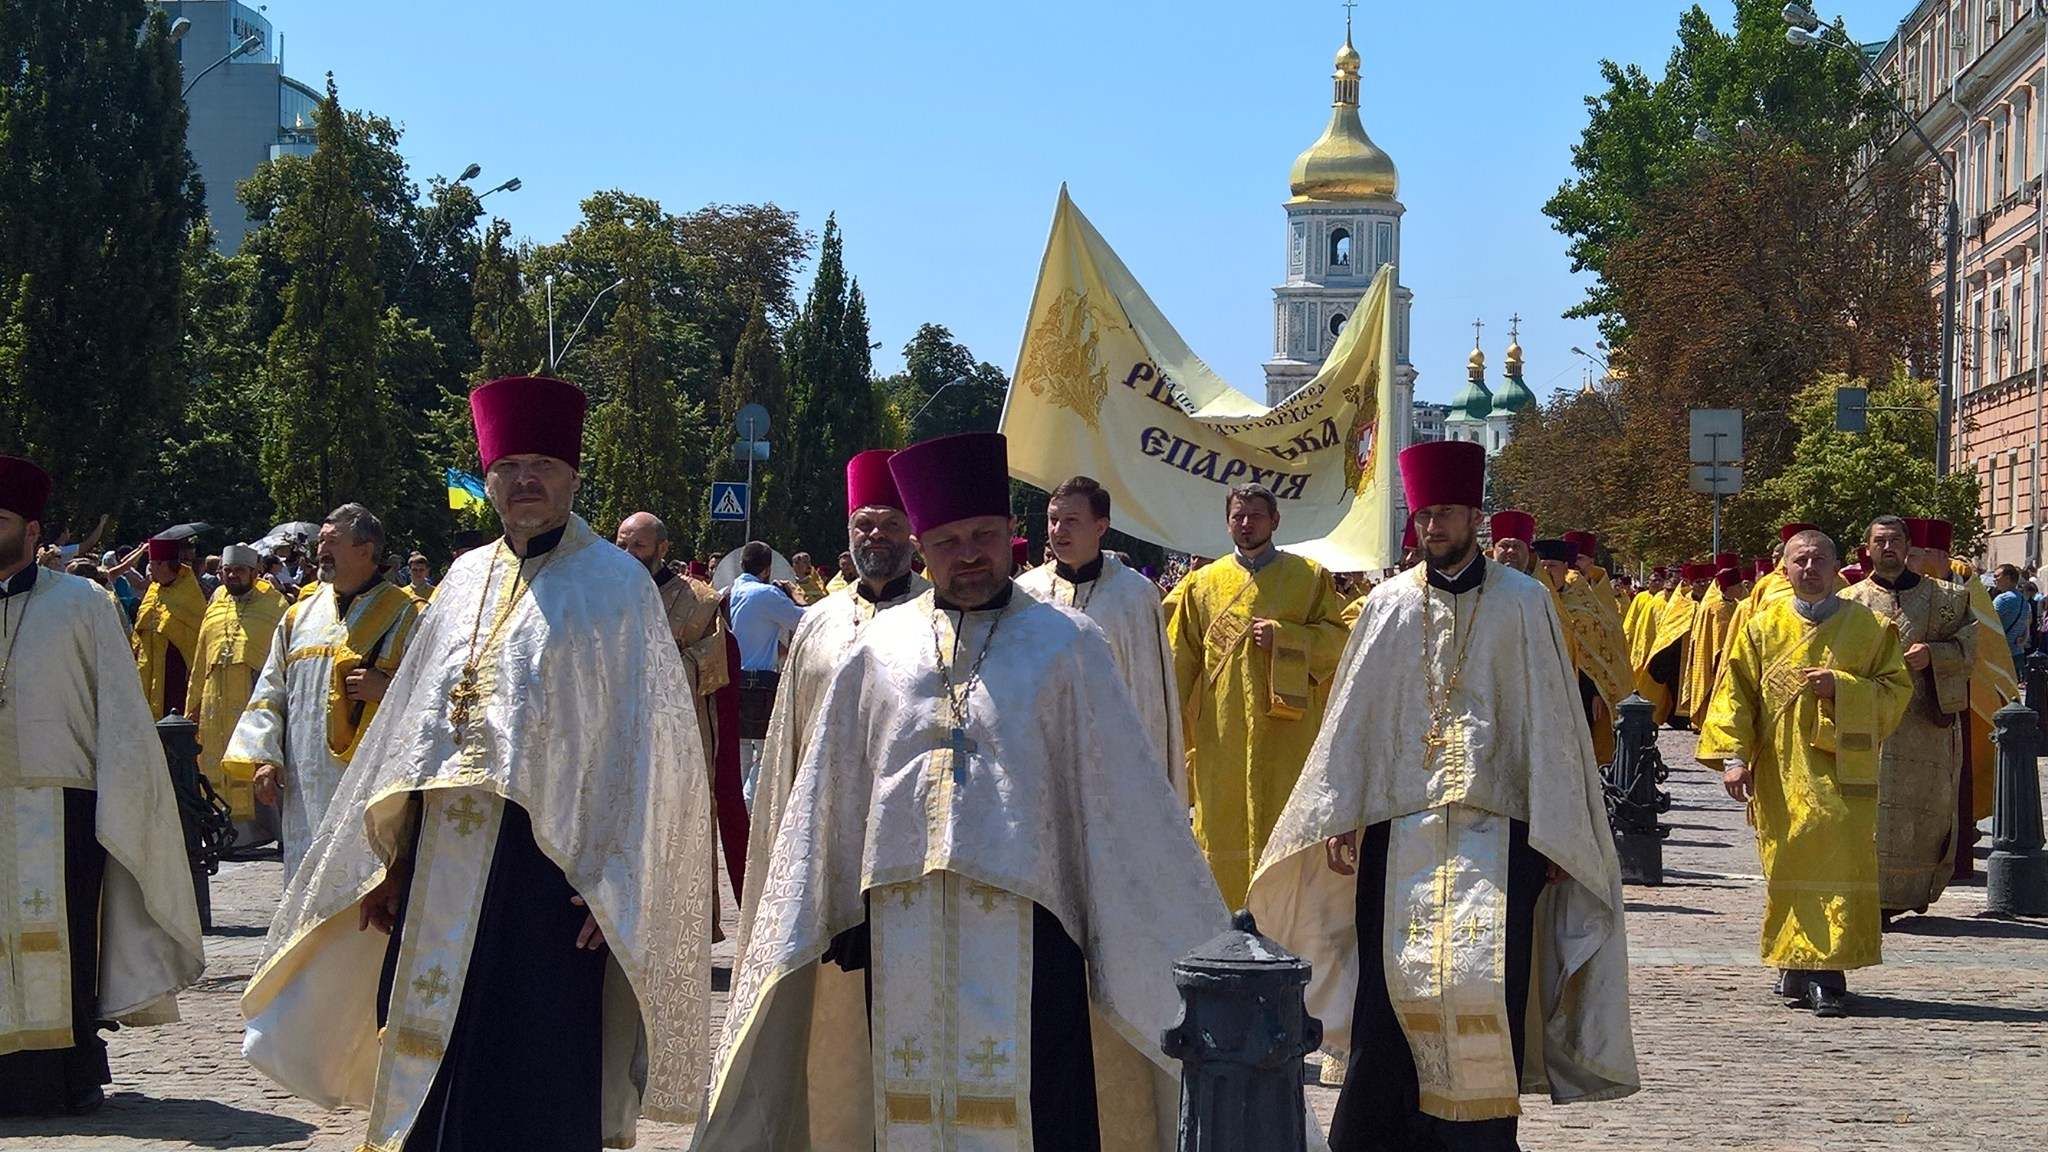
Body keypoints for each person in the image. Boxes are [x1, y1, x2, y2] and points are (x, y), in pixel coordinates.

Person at [700, 431, 1227, 1151]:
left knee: (1041, 1108)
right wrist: (842, 899)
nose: (970, 553)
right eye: (948, 540)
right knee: (907, 1103)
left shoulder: (1068, 646)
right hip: (900, 924)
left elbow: (1119, 803)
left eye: (984, 534)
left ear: (1011, 534)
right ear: (922, 545)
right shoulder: (875, 652)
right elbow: (835, 786)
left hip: (1036, 924)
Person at [241, 375, 715, 1151]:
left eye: (542, 466)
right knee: (431, 1048)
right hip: (440, 863)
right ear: (487, 479)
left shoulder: (617, 586)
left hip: (553, 869)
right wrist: (393, 862)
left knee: (531, 1068)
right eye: (508, 468)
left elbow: (648, 750)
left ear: (572, 475)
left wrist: (620, 884)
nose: (524, 481)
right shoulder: (462, 579)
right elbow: (412, 732)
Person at [1249, 440, 1638, 1150]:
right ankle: (1382, 1134)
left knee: (1482, 987)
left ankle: (1480, 1138)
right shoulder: (1388, 606)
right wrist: (1342, 813)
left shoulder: (1525, 606)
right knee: (1390, 994)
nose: (1435, 528)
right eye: (1426, 515)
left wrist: (1555, 829)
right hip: (1399, 831)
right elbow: (1352, 719)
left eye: (1449, 515)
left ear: (1475, 518)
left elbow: (1551, 727)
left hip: (1503, 831)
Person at [0, 458, 203, 1117]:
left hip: (62, 807)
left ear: (30, 530)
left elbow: (119, 714)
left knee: (65, 950)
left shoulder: (82, 605)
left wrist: (124, 804)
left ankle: (65, 1076)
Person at [1698, 529, 1911, 1017]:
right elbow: (1736, 694)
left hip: (1844, 771)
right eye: (1800, 560)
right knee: (1786, 861)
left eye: (1819, 559)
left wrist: (1842, 686)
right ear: (1785, 568)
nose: (1809, 568)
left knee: (1838, 858)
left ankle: (1828, 974)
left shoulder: (1871, 628)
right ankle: (1794, 962)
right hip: (1779, 767)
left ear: (1837, 567)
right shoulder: (1761, 625)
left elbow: (1895, 691)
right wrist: (1733, 758)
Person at [735, 450, 930, 956]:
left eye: (890, 524)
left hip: (909, 831)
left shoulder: (941, 615)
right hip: (824, 825)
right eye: (863, 524)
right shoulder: (818, 621)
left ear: (912, 533)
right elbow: (788, 741)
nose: (875, 535)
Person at [1165, 481, 1351, 908]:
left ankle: (1287, 926)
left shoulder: (1308, 577)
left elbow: (1338, 643)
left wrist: (1289, 638)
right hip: (1222, 732)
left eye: (1255, 516)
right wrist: (1167, 726)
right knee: (1222, 826)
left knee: (1285, 827)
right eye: (1237, 516)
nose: (1245, 524)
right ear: (1228, 521)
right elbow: (1179, 660)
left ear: (1275, 521)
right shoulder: (1201, 584)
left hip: (1287, 735)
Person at [224, 505, 423, 881]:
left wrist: (388, 690)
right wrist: (266, 757)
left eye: (331, 541)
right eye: (320, 542)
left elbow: (438, 699)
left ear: (365, 550)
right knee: (305, 886)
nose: (320, 550)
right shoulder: (298, 616)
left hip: (371, 784)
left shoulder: (408, 614)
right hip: (304, 784)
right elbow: (271, 690)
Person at [1018, 475, 1185, 800]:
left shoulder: (1134, 595)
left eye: (1071, 521)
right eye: (1053, 520)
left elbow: (1150, 697)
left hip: (1114, 759)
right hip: (1044, 754)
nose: (1058, 530)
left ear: (1100, 526)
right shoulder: (1027, 592)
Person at [1841, 516, 1973, 918]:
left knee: (1925, 809)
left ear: (1909, 546)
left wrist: (1935, 654)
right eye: (1879, 541)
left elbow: (1970, 646)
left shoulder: (1948, 598)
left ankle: (1912, 891)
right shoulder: (1849, 603)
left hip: (1924, 726)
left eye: (1895, 540)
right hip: (1870, 723)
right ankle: (1871, 897)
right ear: (1867, 548)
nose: (1887, 548)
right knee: (1870, 809)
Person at [616, 511, 744, 925]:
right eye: (622, 543)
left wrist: (657, 664)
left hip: (678, 734)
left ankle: (682, 925)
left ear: (662, 548)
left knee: (676, 826)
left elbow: (715, 664)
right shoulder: (604, 593)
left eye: (638, 545)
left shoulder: (700, 601)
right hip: (615, 729)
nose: (628, 553)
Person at [1906, 517, 2016, 880]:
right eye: (1919, 552)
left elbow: (1981, 636)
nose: (1925, 558)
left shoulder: (1962, 585)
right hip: (1905, 697)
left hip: (1956, 696)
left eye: (1933, 552)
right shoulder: (1898, 585)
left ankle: (1956, 846)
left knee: (1957, 776)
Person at [187, 543, 289, 847]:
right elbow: (200, 657)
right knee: (219, 765)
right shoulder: (215, 603)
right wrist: (192, 704)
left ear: (255, 572)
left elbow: (282, 657)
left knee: (258, 758)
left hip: (254, 696)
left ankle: (277, 831)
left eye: (239, 570)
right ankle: (234, 838)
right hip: (215, 699)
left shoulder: (275, 605)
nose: (232, 576)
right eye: (227, 571)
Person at [727, 539, 808, 806]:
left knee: (739, 755)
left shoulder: (733, 590)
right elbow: (805, 621)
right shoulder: (765, 595)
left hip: (734, 681)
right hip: (760, 684)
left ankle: (737, 813)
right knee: (763, 755)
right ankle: (751, 813)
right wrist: (796, 597)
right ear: (767, 569)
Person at [130, 533, 207, 720]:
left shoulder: (188, 591)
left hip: (175, 670)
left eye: (151, 564)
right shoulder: (153, 589)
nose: (148, 570)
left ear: (163, 564)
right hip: (148, 664)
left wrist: (165, 627)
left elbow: (196, 633)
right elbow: (140, 626)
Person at [1680, 566, 1743, 733]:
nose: (1742, 589)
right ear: (1728, 587)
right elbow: (1720, 637)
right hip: (1716, 658)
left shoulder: (1736, 605)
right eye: (1738, 586)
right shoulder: (1717, 608)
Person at [1994, 564, 2029, 668]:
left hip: (2001, 654)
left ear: (2007, 578)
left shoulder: (2003, 599)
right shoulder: (2023, 600)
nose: (1994, 579)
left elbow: (1988, 621)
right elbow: (2026, 625)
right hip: (2018, 652)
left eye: (1997, 576)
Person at [1488, 509, 1534, 575]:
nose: (1511, 551)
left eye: (1517, 546)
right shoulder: (1478, 583)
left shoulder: (1538, 585)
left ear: (1528, 553)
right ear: (1494, 550)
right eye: (1505, 545)